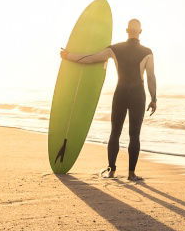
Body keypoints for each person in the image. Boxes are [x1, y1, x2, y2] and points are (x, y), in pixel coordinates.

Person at [60, 18, 157, 181]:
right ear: (141, 32)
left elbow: (90, 58)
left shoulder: (115, 49)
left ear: (127, 30)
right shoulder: (147, 52)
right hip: (137, 95)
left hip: (121, 93)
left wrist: (68, 56)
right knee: (135, 134)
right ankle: (132, 174)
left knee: (115, 132)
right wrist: (154, 98)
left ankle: (111, 170)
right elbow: (150, 77)